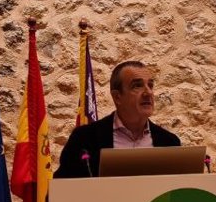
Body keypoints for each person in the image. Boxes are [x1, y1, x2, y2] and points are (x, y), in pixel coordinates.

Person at [53, 61, 181, 179]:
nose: (148, 93)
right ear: (117, 97)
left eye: (150, 85)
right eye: (137, 86)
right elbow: (60, 190)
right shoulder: (85, 139)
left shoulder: (169, 142)